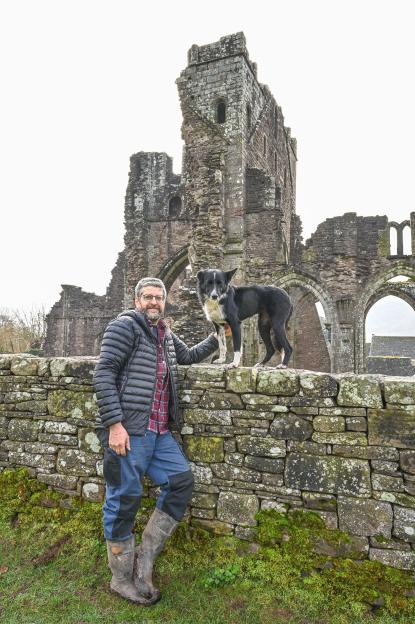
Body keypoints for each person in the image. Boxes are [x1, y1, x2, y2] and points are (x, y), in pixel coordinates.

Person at [93, 277, 218, 605]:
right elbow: (104, 372)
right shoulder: (125, 327)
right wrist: (114, 425)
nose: (153, 302)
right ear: (137, 301)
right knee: (123, 500)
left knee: (181, 482)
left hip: (160, 433)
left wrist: (220, 335)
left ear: (164, 302)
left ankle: (143, 561)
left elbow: (188, 356)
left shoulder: (164, 334)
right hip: (130, 433)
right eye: (147, 297)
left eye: (158, 297)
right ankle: (121, 578)